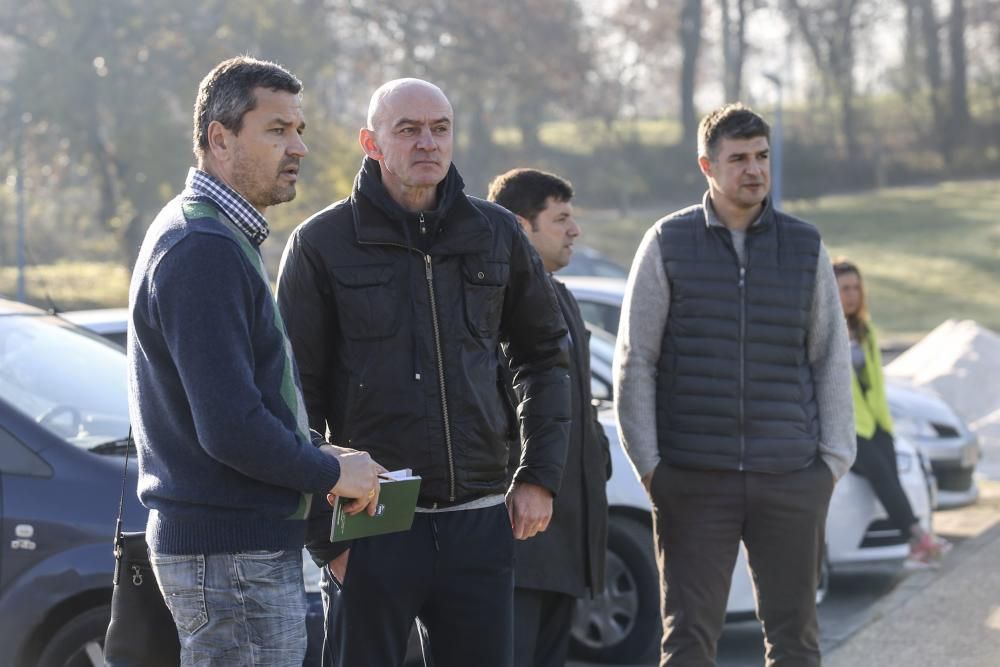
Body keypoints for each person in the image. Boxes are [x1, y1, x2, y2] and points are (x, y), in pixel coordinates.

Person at [275, 79, 571, 667]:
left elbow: (543, 357)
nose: (427, 143)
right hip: (371, 521)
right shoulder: (321, 244)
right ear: (372, 142)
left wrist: (538, 475)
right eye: (408, 130)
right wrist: (325, 541)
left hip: (479, 522)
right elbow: (291, 400)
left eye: (439, 128)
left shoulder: (497, 234)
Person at [127, 56, 384, 666]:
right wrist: (328, 475)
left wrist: (318, 451)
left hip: (231, 548)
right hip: (230, 553)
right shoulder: (202, 247)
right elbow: (229, 427)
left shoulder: (211, 233)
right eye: (276, 130)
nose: (297, 147)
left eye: (299, 130)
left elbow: (235, 406)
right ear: (220, 137)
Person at [614, 103, 856, 666]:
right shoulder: (666, 243)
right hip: (694, 480)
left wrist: (832, 461)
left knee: (796, 642)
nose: (755, 169)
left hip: (791, 477)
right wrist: (652, 466)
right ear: (707, 165)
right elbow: (636, 360)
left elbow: (830, 358)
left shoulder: (804, 246)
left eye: (763, 156)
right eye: (739, 158)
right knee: (690, 642)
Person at [487, 168, 611, 667]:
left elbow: (575, 402)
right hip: (520, 545)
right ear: (521, 226)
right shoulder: (492, 299)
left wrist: (595, 458)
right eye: (560, 219)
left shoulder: (560, 296)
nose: (574, 230)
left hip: (564, 541)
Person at [832, 257, 950, 568]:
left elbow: (875, 382)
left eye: (856, 287)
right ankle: (919, 536)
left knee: (891, 478)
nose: (852, 294)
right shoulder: (826, 331)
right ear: (830, 290)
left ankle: (916, 544)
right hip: (848, 427)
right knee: (883, 475)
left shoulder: (865, 331)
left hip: (876, 424)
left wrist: (886, 424)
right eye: (845, 288)